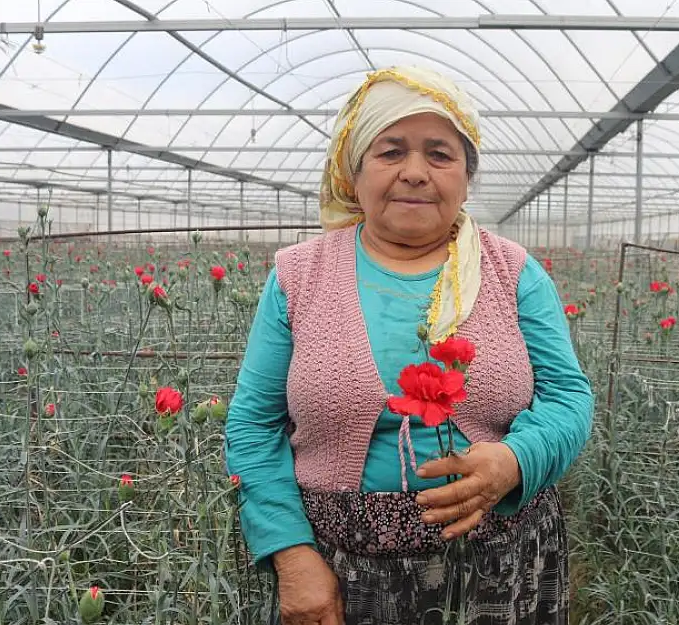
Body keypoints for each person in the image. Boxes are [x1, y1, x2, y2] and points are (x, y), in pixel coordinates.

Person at [225, 65, 594, 625]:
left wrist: (515, 461)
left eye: (440, 155)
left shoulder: (512, 272)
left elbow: (568, 397)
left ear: (467, 176)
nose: (415, 173)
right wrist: (292, 554)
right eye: (390, 151)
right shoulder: (298, 276)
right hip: (337, 572)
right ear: (354, 173)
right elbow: (254, 425)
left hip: (501, 565)